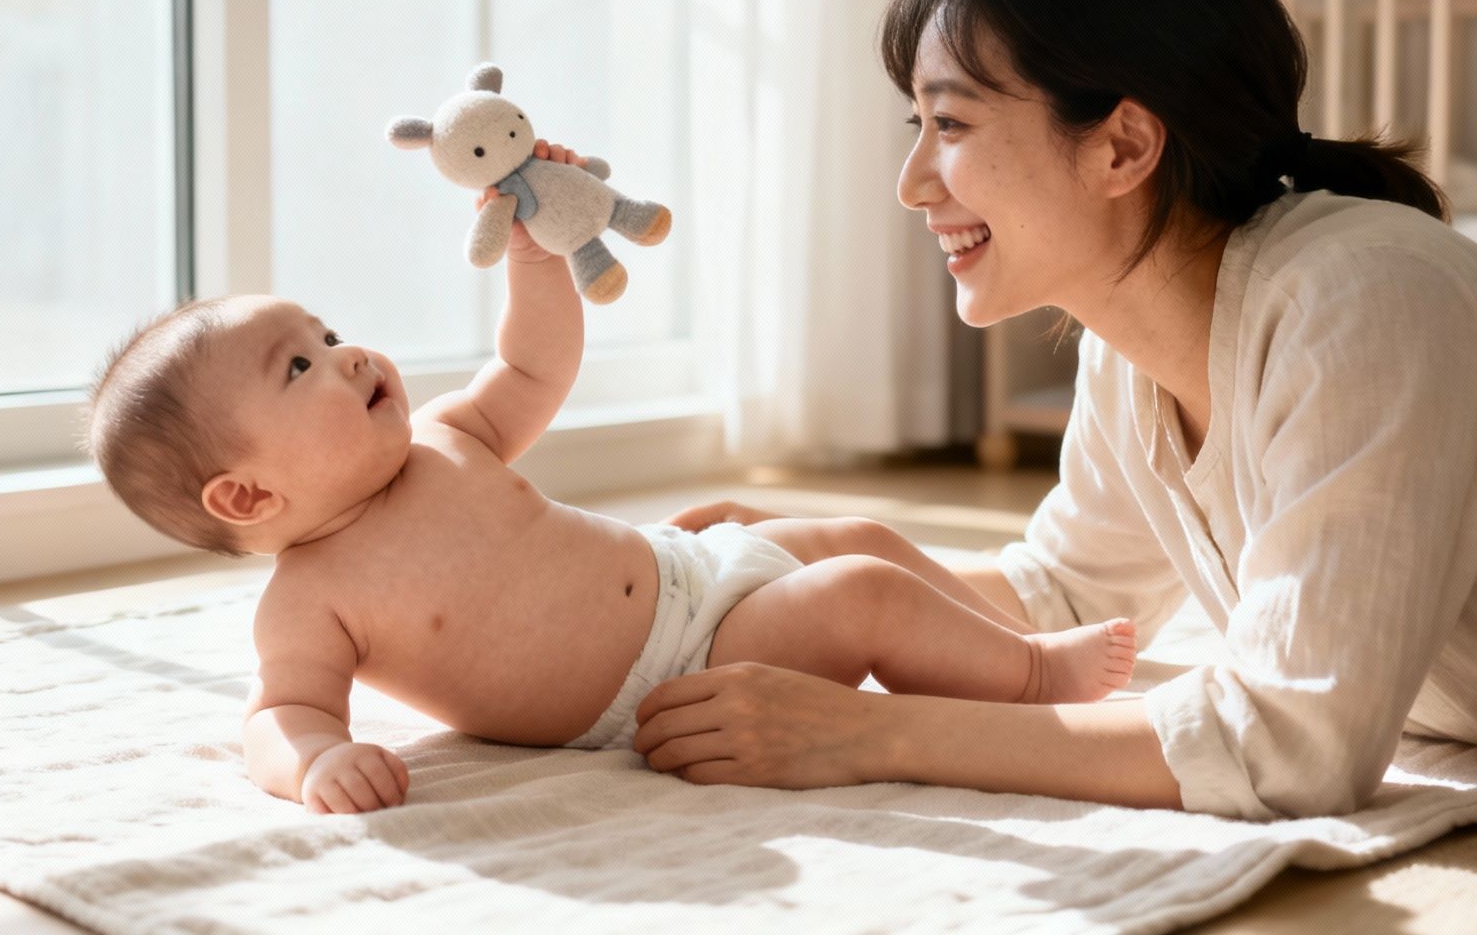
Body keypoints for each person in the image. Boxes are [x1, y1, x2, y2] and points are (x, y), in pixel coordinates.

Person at [629, 0, 1477, 820]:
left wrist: (866, 735)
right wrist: (842, 550)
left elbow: (1290, 746)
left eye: (946, 121)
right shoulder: (1127, 347)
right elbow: (1066, 598)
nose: (911, 182)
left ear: (1123, 144)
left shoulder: (1366, 299)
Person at [81, 143, 1139, 815]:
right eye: (300, 367)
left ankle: (994, 644)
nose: (350, 356)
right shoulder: (309, 601)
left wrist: (540, 260)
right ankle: (1032, 683)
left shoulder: (445, 438)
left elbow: (534, 366)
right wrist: (312, 765)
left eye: (330, 332)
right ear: (246, 497)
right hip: (673, 674)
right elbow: (280, 711)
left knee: (855, 539)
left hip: (691, 570)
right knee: (859, 600)